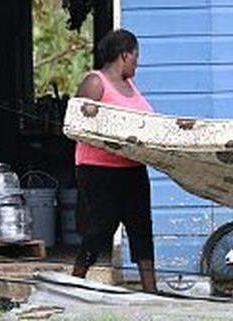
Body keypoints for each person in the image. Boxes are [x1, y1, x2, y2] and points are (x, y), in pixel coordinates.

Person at [71, 29, 157, 292]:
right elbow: (77, 124)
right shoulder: (95, 82)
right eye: (135, 57)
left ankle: (150, 290)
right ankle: (74, 283)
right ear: (124, 54)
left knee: (141, 226)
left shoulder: (129, 86)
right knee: (101, 227)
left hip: (132, 169)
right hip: (98, 170)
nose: (137, 63)